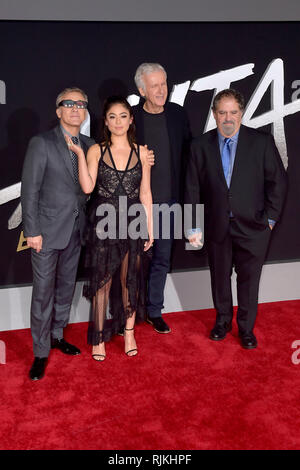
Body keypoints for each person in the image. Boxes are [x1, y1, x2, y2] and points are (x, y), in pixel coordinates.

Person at [185, 88, 287, 349]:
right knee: (219, 278)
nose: (228, 118)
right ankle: (221, 322)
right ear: (214, 114)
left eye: (233, 112)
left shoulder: (261, 142)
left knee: (249, 280)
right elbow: (192, 188)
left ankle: (246, 328)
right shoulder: (199, 145)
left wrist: (270, 221)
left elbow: (278, 182)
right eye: (222, 112)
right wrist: (193, 226)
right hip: (216, 226)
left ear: (241, 113)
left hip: (254, 227)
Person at [67, 95, 153, 361]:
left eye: (123, 116)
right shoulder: (96, 150)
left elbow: (146, 193)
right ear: (106, 121)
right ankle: (99, 336)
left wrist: (150, 227)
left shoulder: (142, 151)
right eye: (113, 117)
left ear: (131, 120)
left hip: (133, 222)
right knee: (102, 283)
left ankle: (128, 332)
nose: (118, 122)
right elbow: (87, 187)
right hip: (103, 223)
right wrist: (81, 155)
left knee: (130, 282)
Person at [21, 87, 95, 380]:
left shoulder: (89, 145)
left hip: (77, 230)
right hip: (46, 233)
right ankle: (40, 352)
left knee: (66, 287)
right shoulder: (41, 143)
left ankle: (56, 335)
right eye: (69, 104)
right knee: (43, 293)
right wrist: (33, 231)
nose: (75, 108)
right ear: (58, 110)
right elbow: (30, 191)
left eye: (81, 104)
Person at [133, 62, 191, 334]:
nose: (161, 90)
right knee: (132, 262)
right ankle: (129, 312)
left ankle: (154, 311)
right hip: (135, 205)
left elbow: (189, 156)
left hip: (170, 203)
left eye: (163, 84)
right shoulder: (130, 118)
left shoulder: (178, 115)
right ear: (142, 89)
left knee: (162, 259)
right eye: (154, 85)